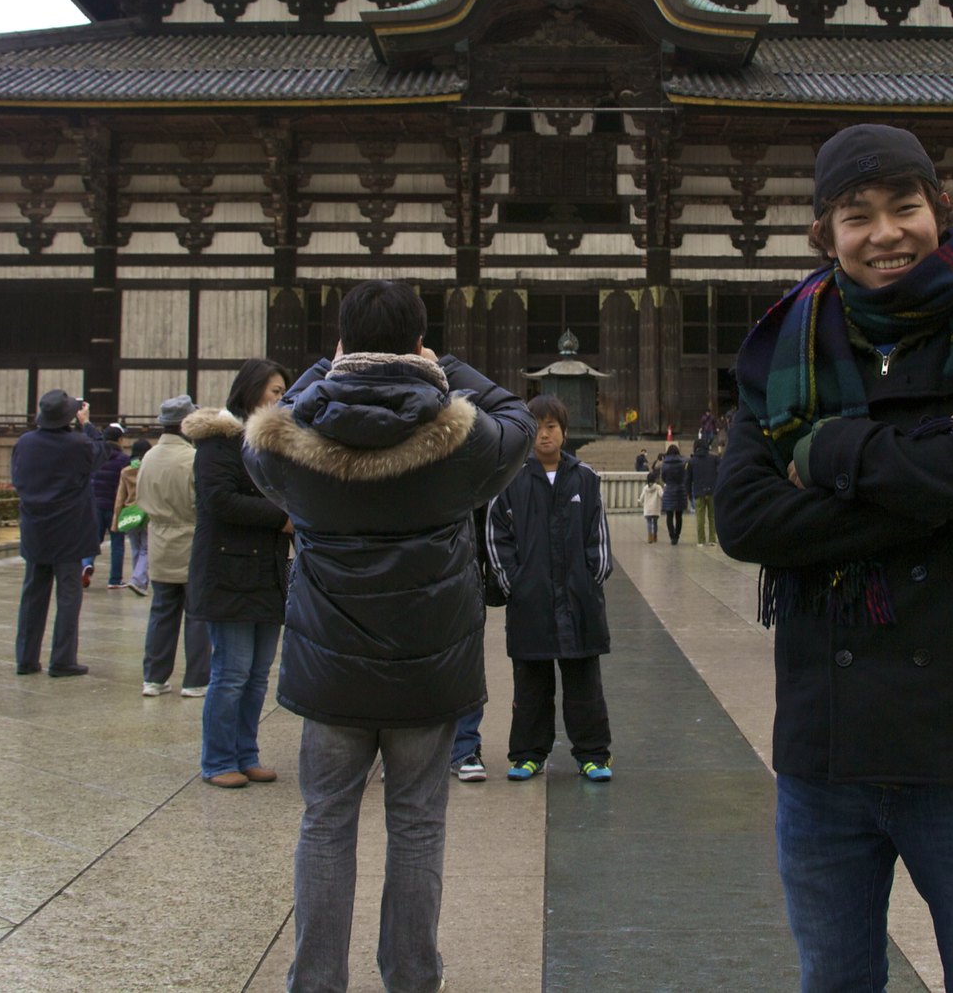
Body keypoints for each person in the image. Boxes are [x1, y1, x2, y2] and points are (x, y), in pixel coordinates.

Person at [715, 122, 953, 991]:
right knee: (833, 978)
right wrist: (934, 477)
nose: (884, 232)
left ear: (940, 211)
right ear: (823, 234)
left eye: (904, 206)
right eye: (856, 214)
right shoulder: (778, 353)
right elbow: (749, 518)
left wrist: (830, 457)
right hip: (826, 749)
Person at [242, 279, 533, 993]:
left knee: (326, 821)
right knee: (416, 824)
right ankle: (410, 976)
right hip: (427, 668)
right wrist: (446, 364)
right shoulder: (460, 442)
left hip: (330, 669)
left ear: (343, 343)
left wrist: (327, 366)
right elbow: (516, 418)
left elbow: (265, 426)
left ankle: (314, 980)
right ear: (417, 339)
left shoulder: (292, 445)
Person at [483, 394, 614, 782]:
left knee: (584, 686)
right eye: (537, 427)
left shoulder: (585, 479)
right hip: (531, 602)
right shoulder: (510, 479)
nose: (544, 435)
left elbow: (599, 538)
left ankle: (592, 754)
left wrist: (592, 578)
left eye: (551, 427)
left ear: (564, 432)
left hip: (579, 602)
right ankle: (528, 754)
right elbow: (496, 537)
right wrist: (514, 584)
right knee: (531, 688)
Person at [186, 360, 292, 787]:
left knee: (256, 674)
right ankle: (217, 760)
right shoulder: (218, 444)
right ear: (250, 392)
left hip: (266, 571)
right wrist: (282, 517)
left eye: (284, 392)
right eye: (275, 392)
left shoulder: (269, 447)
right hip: (228, 570)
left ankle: (246, 753)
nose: (281, 400)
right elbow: (219, 500)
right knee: (230, 673)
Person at [11, 389, 107, 677]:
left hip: (36, 527)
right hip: (70, 529)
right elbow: (100, 453)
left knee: (32, 595)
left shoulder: (24, 443)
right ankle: (63, 659)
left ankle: (26, 659)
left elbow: (17, 479)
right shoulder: (78, 444)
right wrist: (88, 423)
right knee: (68, 595)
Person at [136, 395, 211, 698]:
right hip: (191, 539)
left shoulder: (149, 457)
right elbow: (202, 502)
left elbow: (140, 498)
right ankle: (195, 680)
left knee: (161, 612)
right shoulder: (192, 458)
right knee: (196, 615)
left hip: (159, 540)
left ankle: (154, 678)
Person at [91, 424, 130, 589]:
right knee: (117, 543)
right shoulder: (123, 459)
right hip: (115, 506)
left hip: (95, 503)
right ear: (120, 440)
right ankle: (114, 579)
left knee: (93, 540)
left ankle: (86, 564)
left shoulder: (95, 456)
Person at [114, 438, 151, 594]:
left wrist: (116, 519)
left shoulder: (126, 471)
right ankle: (138, 580)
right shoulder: (150, 470)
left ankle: (139, 580)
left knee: (136, 548)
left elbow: (120, 497)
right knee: (147, 549)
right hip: (147, 513)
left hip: (130, 513)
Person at [689, 436, 720, 545]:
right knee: (712, 517)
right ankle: (712, 539)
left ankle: (701, 540)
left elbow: (688, 479)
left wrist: (689, 494)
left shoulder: (692, 461)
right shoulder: (714, 459)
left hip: (699, 492)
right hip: (712, 491)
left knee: (700, 518)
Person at [659, 443, 689, 545]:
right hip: (680, 489)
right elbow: (686, 476)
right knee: (679, 515)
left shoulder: (665, 464)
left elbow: (662, 477)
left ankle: (672, 536)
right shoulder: (683, 462)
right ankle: (677, 535)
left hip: (669, 490)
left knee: (669, 515)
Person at [641, 464, 663, 544]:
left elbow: (642, 497)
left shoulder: (645, 488)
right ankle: (655, 537)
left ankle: (649, 537)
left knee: (649, 523)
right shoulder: (658, 487)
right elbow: (662, 495)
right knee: (655, 523)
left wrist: (640, 501)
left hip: (648, 509)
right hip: (655, 509)